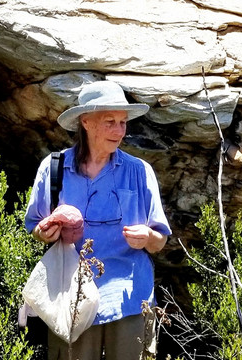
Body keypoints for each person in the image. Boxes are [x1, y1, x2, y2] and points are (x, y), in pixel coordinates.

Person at [24, 80, 172, 360]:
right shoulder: (54, 168)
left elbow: (159, 242)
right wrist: (48, 232)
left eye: (123, 122)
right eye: (110, 121)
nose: (119, 130)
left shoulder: (140, 171)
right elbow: (35, 227)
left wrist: (148, 237)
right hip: (70, 296)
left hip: (128, 298)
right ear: (86, 122)